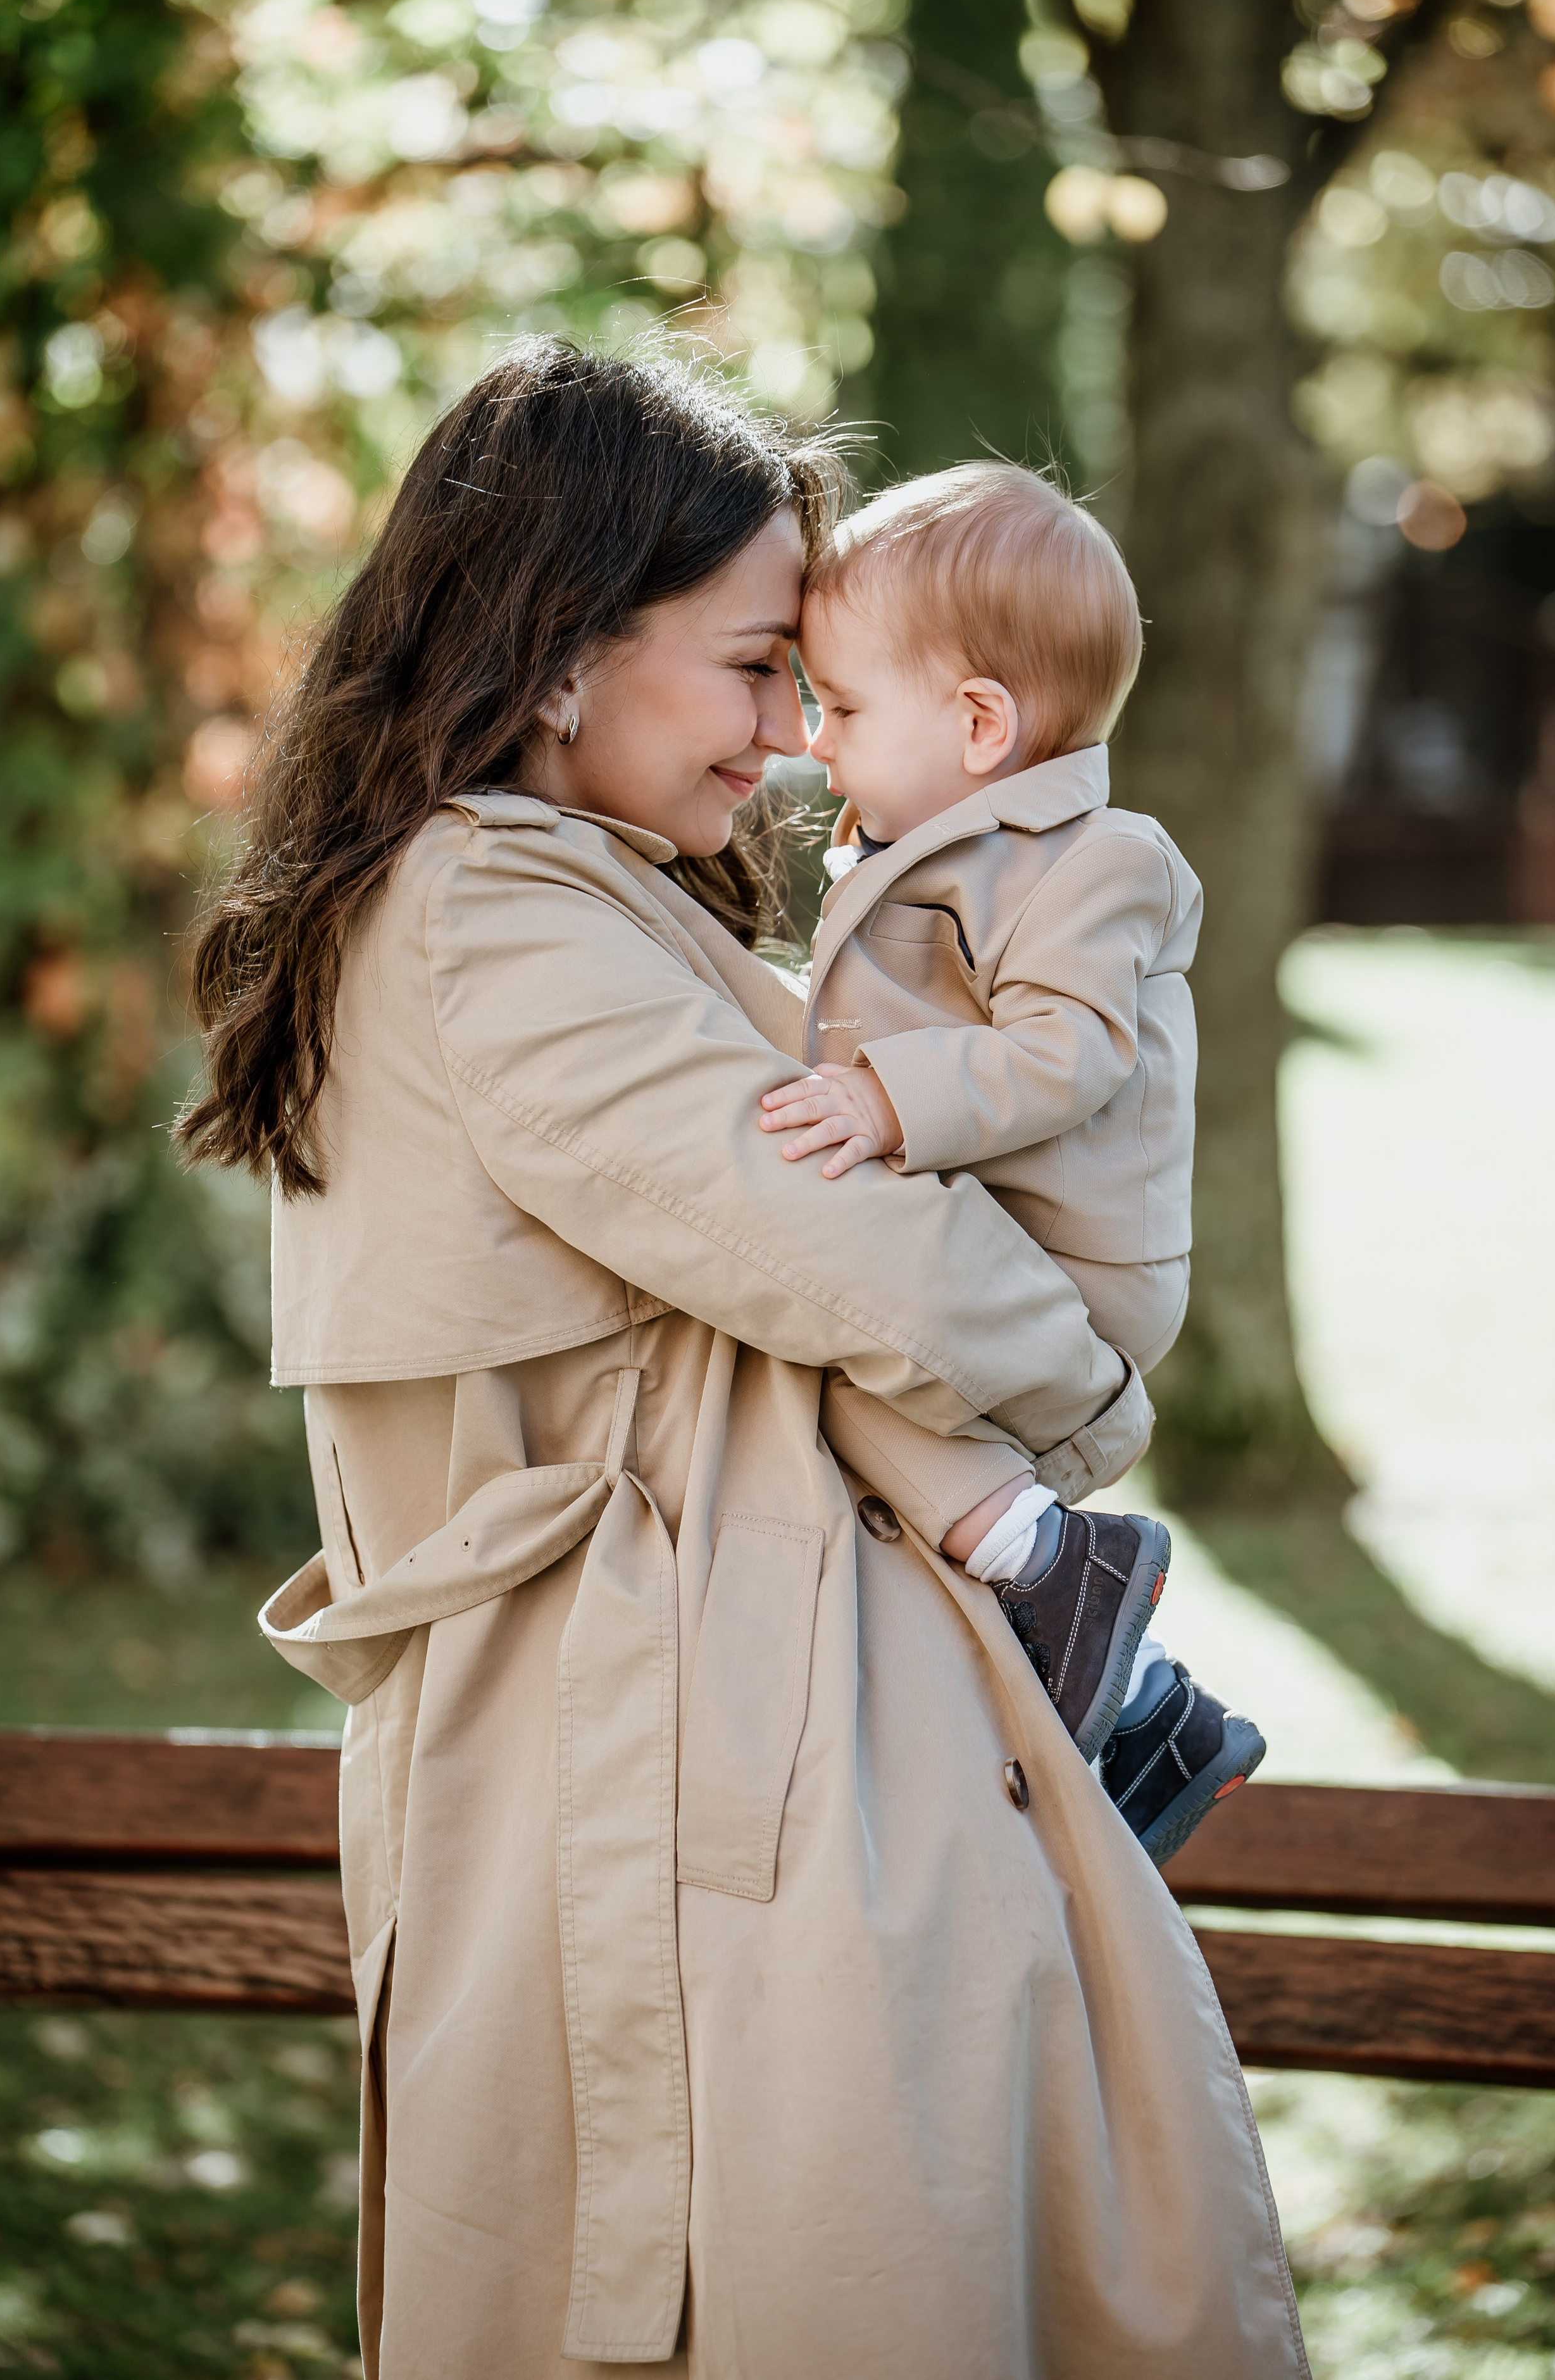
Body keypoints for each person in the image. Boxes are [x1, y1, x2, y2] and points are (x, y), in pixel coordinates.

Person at [178, 339, 1307, 2380]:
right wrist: (1098, 1401)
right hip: (680, 1751)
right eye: (756, 666)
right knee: (796, 2278)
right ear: (553, 658)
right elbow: (857, 1257)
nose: (793, 739)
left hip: (737, 1717)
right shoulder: (489, 914)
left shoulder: (577, 894)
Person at [759, 463, 1266, 1865]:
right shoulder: (940, 844)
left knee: (835, 1362)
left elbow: (1067, 1055)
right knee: (829, 1409)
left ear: (978, 722)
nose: (810, 739)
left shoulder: (1097, 861)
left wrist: (879, 1102)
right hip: (992, 1229)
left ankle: (1058, 1563)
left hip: (1070, 1264)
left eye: (842, 706)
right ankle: (1150, 1717)